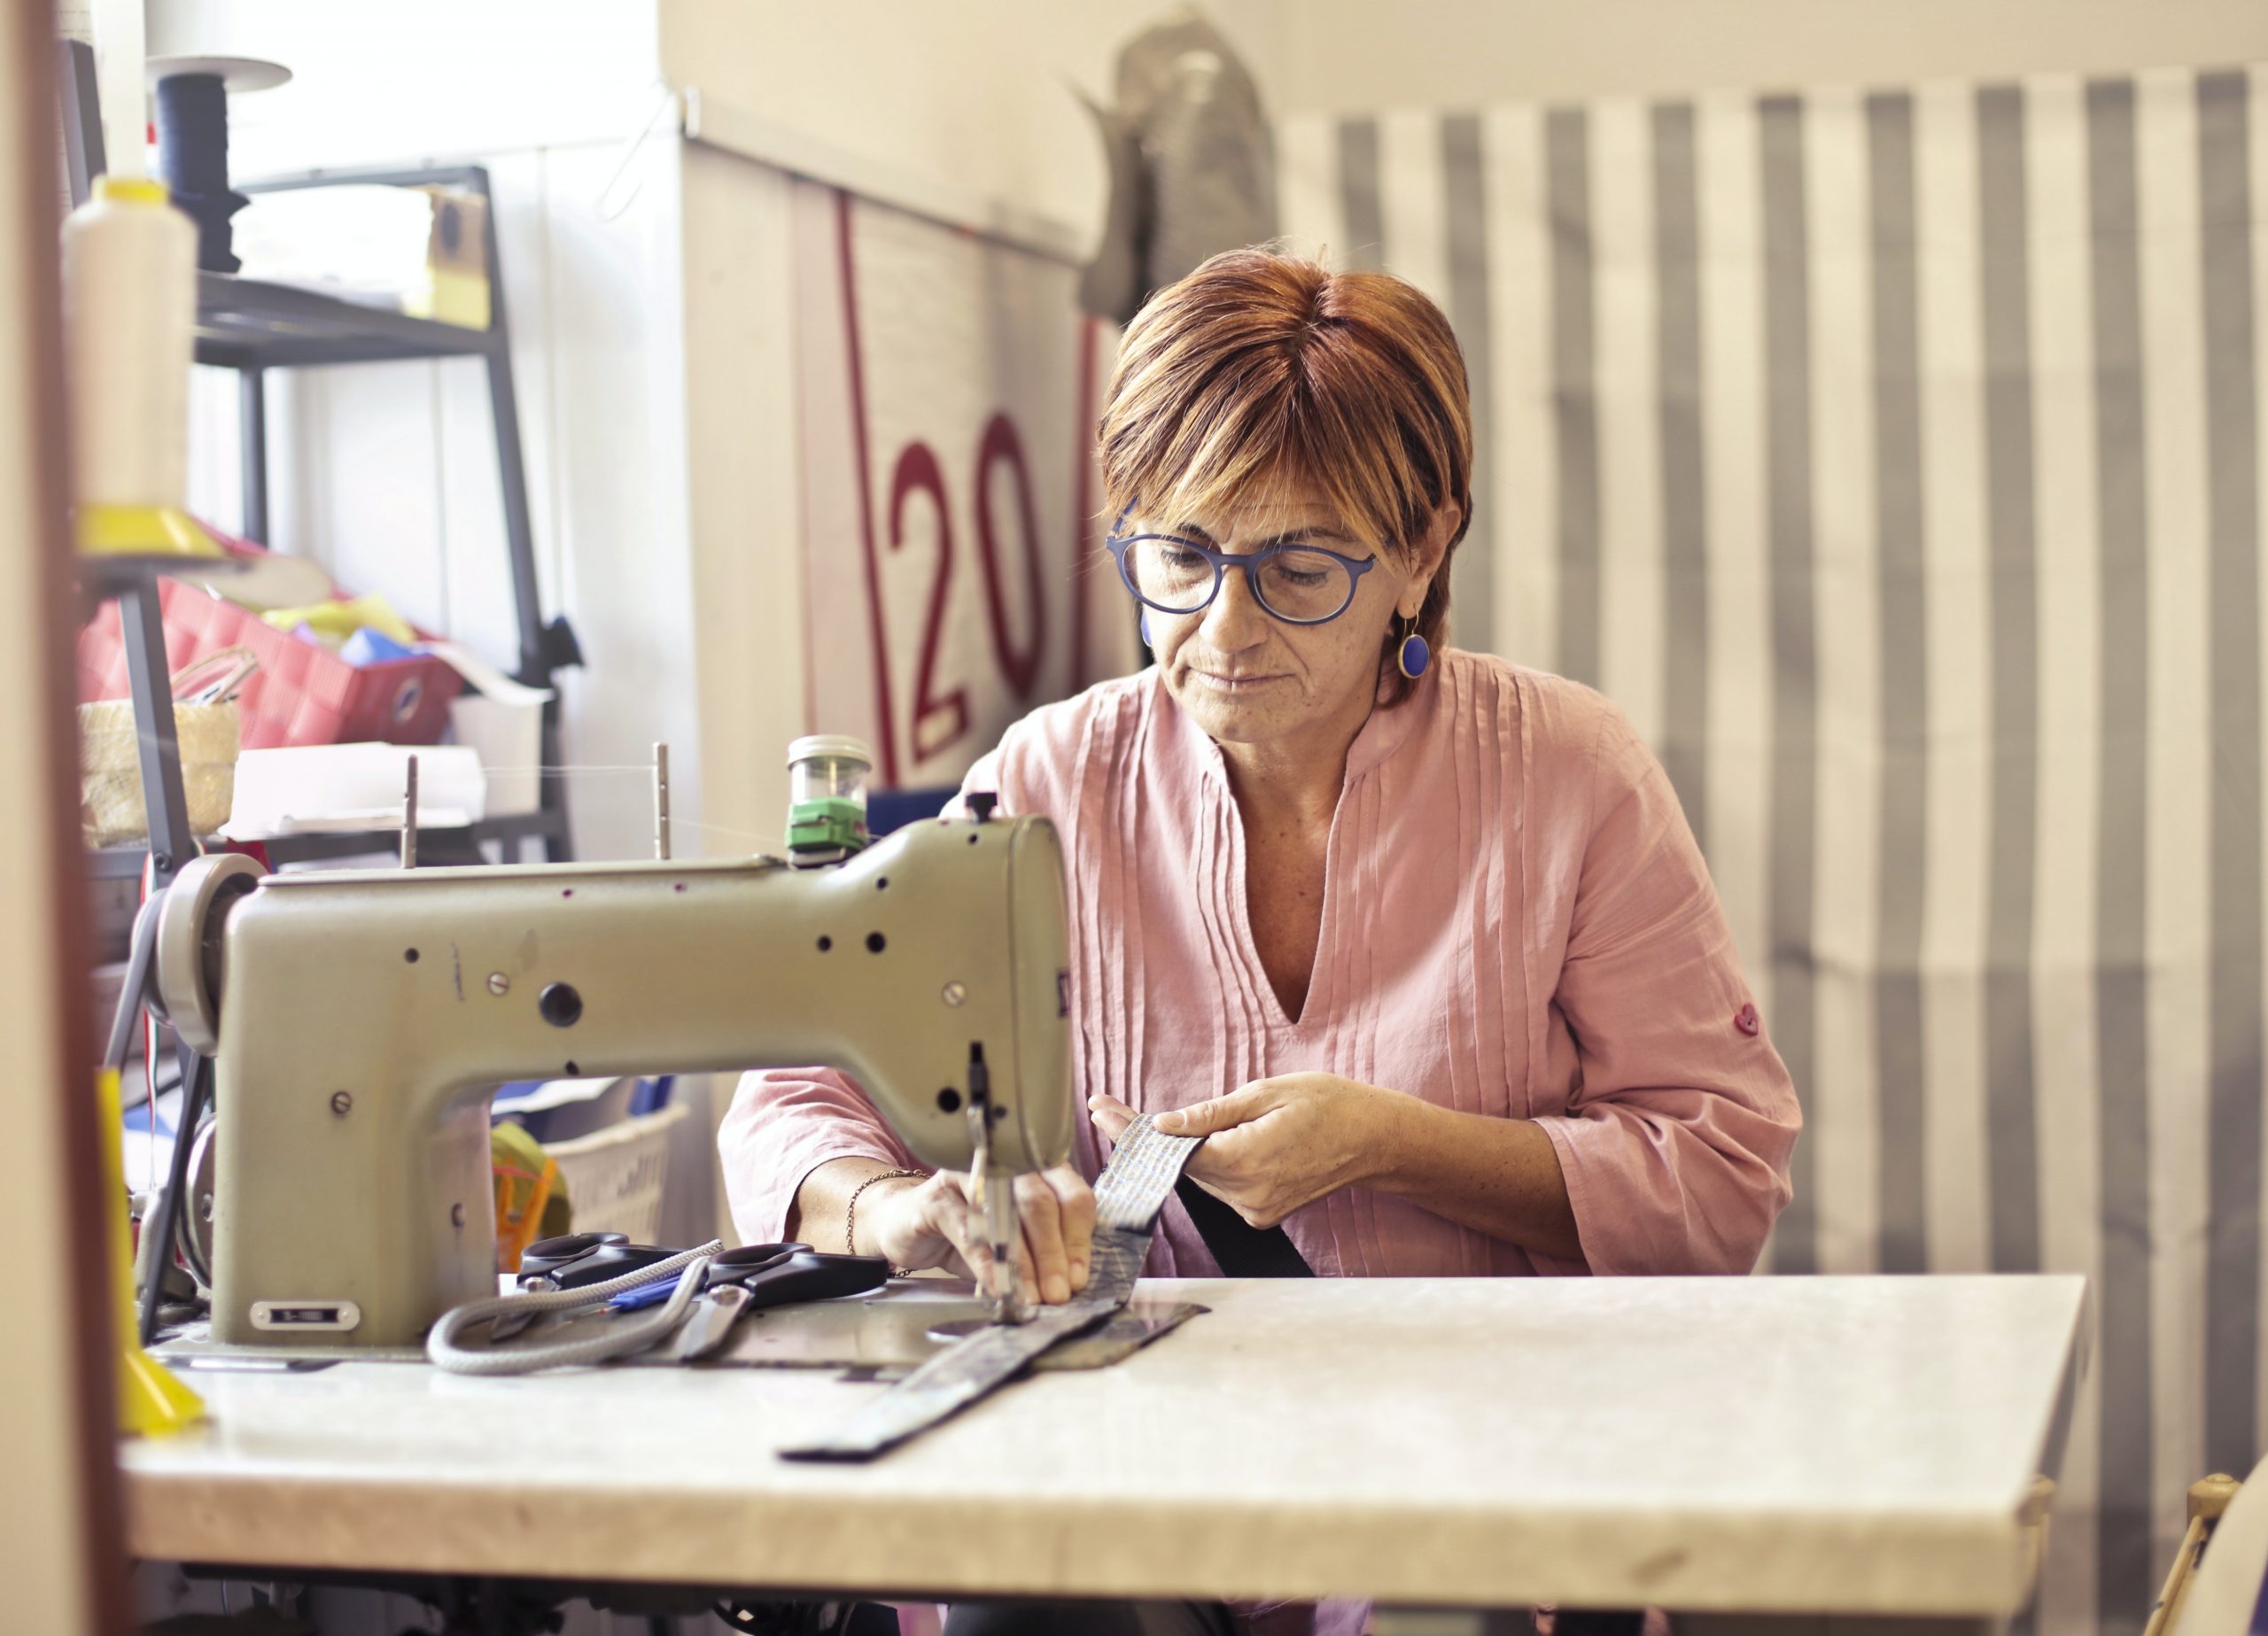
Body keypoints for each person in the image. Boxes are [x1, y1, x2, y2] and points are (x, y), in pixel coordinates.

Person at [720, 249, 1802, 1636]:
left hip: (1480, 1509)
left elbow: (1723, 1174)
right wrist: (899, 1210)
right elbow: (793, 1097)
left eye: (1297, 565)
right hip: (1133, 1513)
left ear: (1422, 549)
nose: (1220, 630)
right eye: (1177, 557)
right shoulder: (1047, 781)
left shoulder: (1568, 777)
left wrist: (1396, 1143)